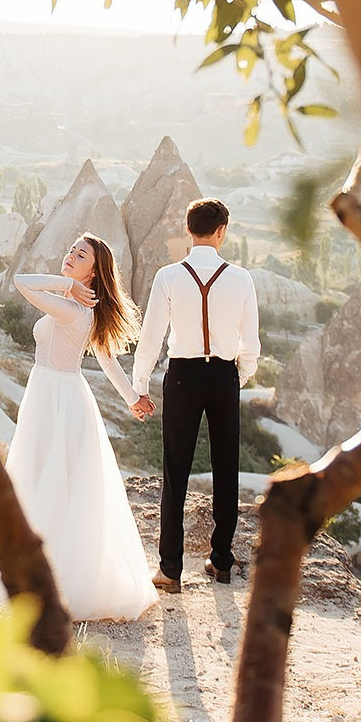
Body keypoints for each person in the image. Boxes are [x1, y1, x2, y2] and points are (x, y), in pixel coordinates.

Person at [0, 233, 159, 621]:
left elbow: (21, 282)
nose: (70, 255)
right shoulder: (79, 307)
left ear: (94, 270)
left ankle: (51, 582)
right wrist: (132, 398)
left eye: (80, 254)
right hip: (56, 396)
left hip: (57, 399)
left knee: (45, 482)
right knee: (45, 482)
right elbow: (106, 358)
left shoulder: (73, 309)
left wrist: (66, 283)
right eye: (71, 249)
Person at [130, 198, 260, 592]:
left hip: (183, 376)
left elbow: (151, 337)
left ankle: (170, 569)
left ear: (188, 230)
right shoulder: (241, 279)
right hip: (224, 376)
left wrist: (140, 386)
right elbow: (250, 343)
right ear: (222, 231)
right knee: (226, 467)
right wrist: (241, 374)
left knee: (176, 472)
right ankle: (221, 560)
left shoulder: (169, 276)